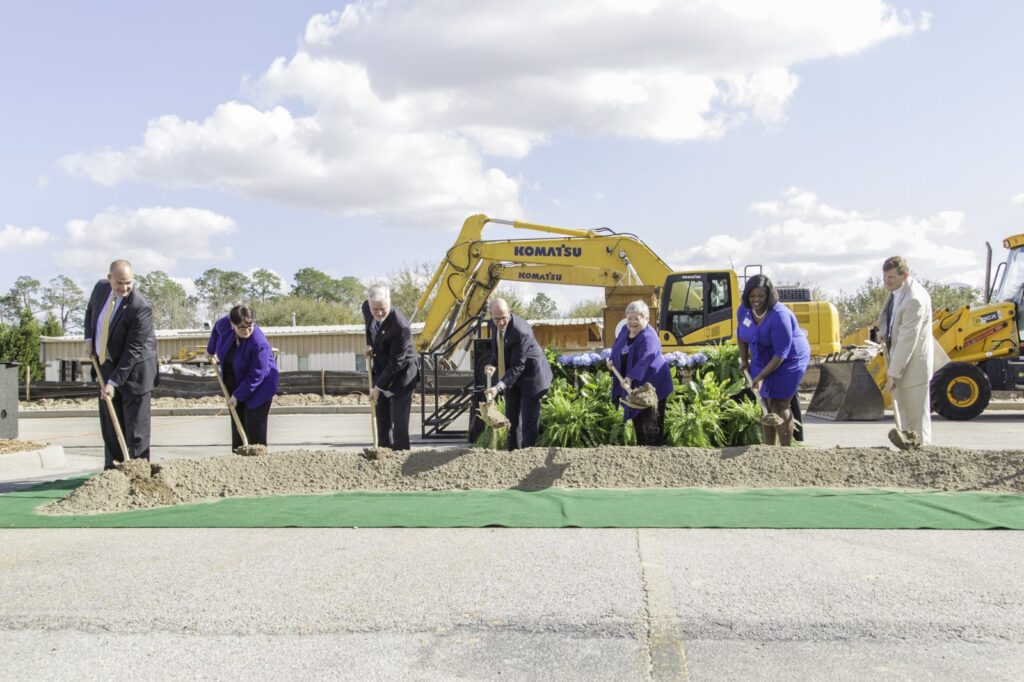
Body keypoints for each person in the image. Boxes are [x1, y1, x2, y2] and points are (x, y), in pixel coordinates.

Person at [82, 259, 159, 469]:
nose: (124, 288)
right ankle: (113, 471)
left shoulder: (140, 307)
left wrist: (114, 382)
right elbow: (90, 312)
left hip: (136, 371)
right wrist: (89, 339)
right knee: (110, 423)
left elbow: (133, 350)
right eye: (119, 284)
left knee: (135, 429)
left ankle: (137, 471)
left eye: (129, 283)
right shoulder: (100, 289)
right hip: (106, 363)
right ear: (109, 279)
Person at [737, 274, 811, 446]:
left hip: (789, 357)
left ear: (769, 295)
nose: (756, 300)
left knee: (778, 403)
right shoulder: (744, 311)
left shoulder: (780, 316)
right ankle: (769, 450)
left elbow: (780, 354)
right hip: (762, 354)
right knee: (765, 403)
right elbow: (740, 335)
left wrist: (761, 377)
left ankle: (785, 452)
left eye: (761, 296)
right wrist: (744, 359)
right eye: (752, 296)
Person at [876, 256, 936, 445]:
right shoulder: (896, 291)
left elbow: (907, 340)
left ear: (905, 275)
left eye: (891, 277)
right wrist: (883, 331)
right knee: (904, 415)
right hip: (899, 360)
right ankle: (908, 455)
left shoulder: (914, 299)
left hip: (913, 366)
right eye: (885, 277)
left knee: (915, 417)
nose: (887, 281)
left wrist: (893, 373)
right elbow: (889, 317)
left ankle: (921, 452)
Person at [483, 298, 553, 450]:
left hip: (532, 377)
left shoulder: (521, 332)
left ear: (510, 312)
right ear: (491, 315)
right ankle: (513, 454)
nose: (500, 322)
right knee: (511, 417)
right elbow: (499, 346)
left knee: (528, 420)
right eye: (496, 319)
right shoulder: (493, 324)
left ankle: (528, 455)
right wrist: (493, 364)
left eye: (504, 318)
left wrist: (497, 388)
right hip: (513, 377)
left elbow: (517, 367)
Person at [207, 304, 279, 450]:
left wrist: (238, 395)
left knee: (253, 424)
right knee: (237, 421)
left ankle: (257, 459)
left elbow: (256, 375)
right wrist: (210, 350)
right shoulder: (224, 325)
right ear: (232, 324)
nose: (247, 330)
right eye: (242, 328)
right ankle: (238, 458)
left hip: (260, 387)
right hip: (235, 380)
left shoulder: (259, 344)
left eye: (250, 326)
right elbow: (215, 330)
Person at [606, 300, 674, 445]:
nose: (632, 322)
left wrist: (630, 377)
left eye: (637, 318)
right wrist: (611, 360)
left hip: (653, 386)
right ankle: (642, 453)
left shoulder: (649, 337)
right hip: (635, 386)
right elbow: (616, 347)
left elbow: (646, 358)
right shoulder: (625, 330)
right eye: (629, 318)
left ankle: (654, 454)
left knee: (651, 424)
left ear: (646, 319)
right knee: (638, 419)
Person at [362, 284, 419, 450]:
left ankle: (400, 456)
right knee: (382, 420)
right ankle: (383, 453)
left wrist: (378, 387)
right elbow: (371, 331)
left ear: (390, 301)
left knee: (399, 424)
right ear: (369, 304)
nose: (379, 313)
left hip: (402, 376)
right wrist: (369, 345)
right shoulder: (367, 308)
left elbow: (397, 363)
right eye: (375, 309)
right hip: (381, 370)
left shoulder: (400, 326)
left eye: (383, 308)